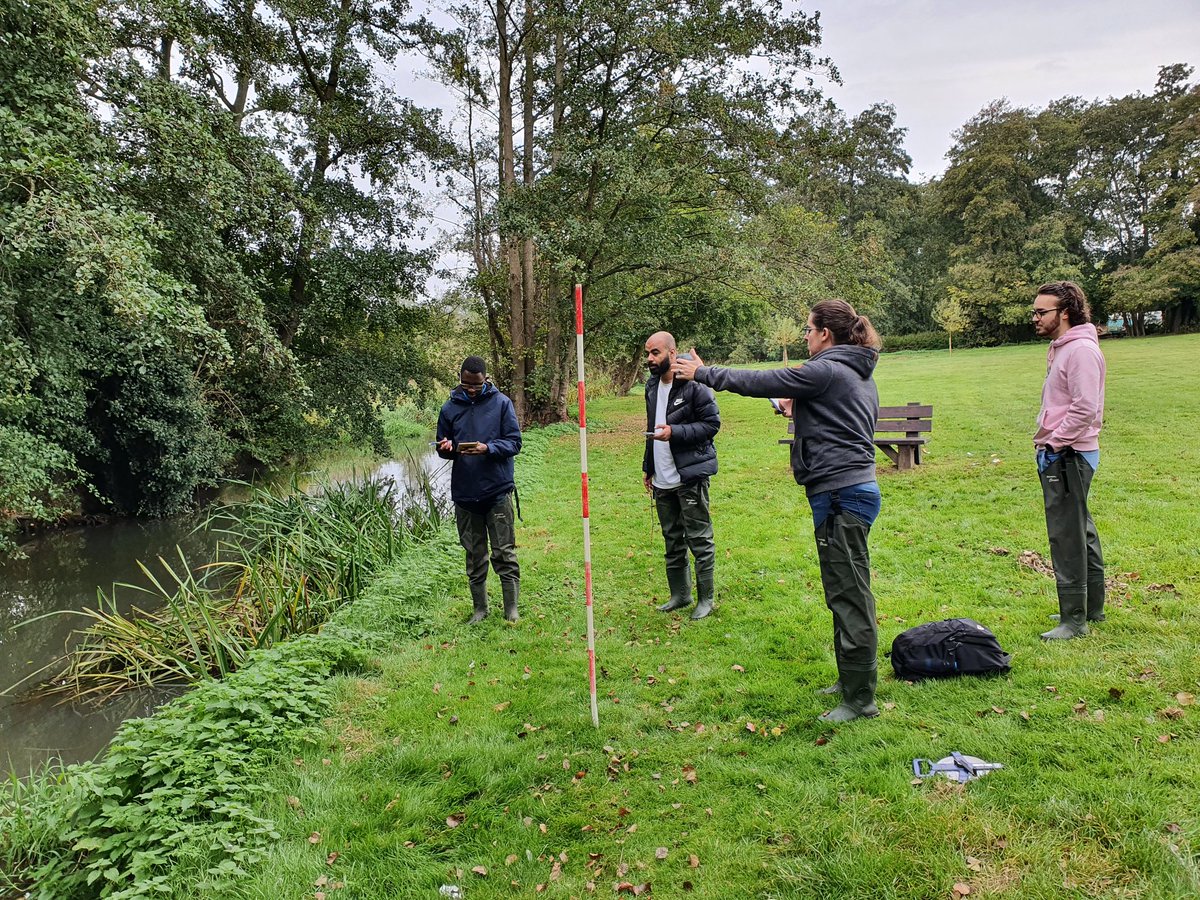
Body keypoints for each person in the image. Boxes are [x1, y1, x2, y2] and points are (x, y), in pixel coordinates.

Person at [673, 300, 883, 722]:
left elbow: (763, 379)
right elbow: (838, 420)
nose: (805, 336)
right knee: (842, 591)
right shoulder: (852, 370)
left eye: (808, 329)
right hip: (844, 490)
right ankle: (850, 679)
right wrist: (797, 407)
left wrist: (704, 373)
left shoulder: (827, 368)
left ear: (825, 333)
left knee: (850, 596)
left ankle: (860, 699)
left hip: (841, 494)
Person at [1031, 281, 1106, 640]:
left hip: (1070, 454)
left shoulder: (1080, 351)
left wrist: (1055, 443)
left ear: (1064, 313)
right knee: (1080, 528)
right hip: (1066, 451)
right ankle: (1091, 608)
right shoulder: (1064, 347)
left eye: (1041, 312)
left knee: (1067, 536)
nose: (1035, 318)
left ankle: (1073, 620)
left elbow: (1085, 407)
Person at [436, 356, 523, 623]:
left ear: (486, 379)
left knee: (504, 552)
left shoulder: (501, 404)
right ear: (460, 379)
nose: (471, 389)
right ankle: (480, 610)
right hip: (465, 493)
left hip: (497, 490)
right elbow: (443, 446)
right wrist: (445, 448)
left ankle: (511, 610)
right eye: (466, 384)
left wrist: (489, 448)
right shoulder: (449, 408)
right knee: (474, 555)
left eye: (476, 384)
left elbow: (514, 443)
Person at [643, 332, 721, 620]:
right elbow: (651, 426)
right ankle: (680, 594)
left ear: (672, 354)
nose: (650, 359)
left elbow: (712, 425)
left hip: (689, 476)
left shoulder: (694, 384)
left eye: (655, 353)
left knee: (699, 539)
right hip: (662, 478)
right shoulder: (651, 386)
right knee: (672, 539)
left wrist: (675, 432)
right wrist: (648, 466)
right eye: (648, 353)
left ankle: (706, 598)